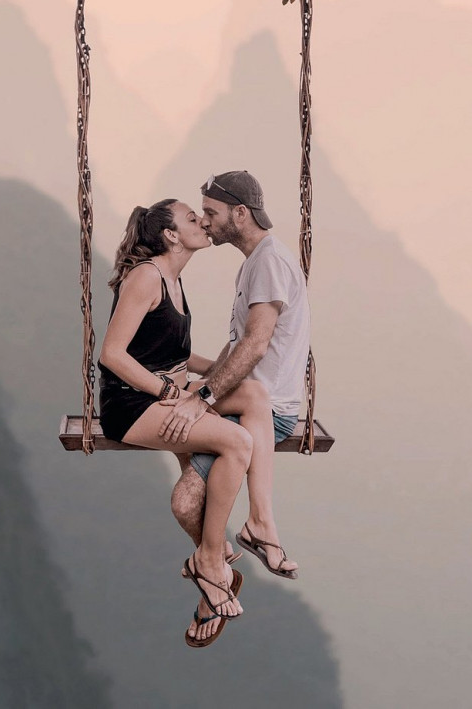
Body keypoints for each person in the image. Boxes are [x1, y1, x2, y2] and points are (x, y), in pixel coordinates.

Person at [98, 198, 272, 646]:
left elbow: (170, 352)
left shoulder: (174, 279)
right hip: (132, 406)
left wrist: (219, 369)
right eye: (192, 218)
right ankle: (211, 562)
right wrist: (168, 394)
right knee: (236, 442)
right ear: (171, 235)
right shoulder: (147, 276)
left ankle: (243, 536)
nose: (202, 222)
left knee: (251, 394)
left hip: (168, 395)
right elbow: (112, 354)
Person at [169, 171, 309, 639]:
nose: (205, 221)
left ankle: (214, 570)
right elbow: (235, 348)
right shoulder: (255, 263)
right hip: (241, 401)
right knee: (170, 409)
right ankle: (219, 566)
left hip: (264, 411)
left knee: (187, 501)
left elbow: (256, 344)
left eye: (211, 212)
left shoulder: (268, 262)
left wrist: (205, 396)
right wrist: (199, 378)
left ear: (240, 213)